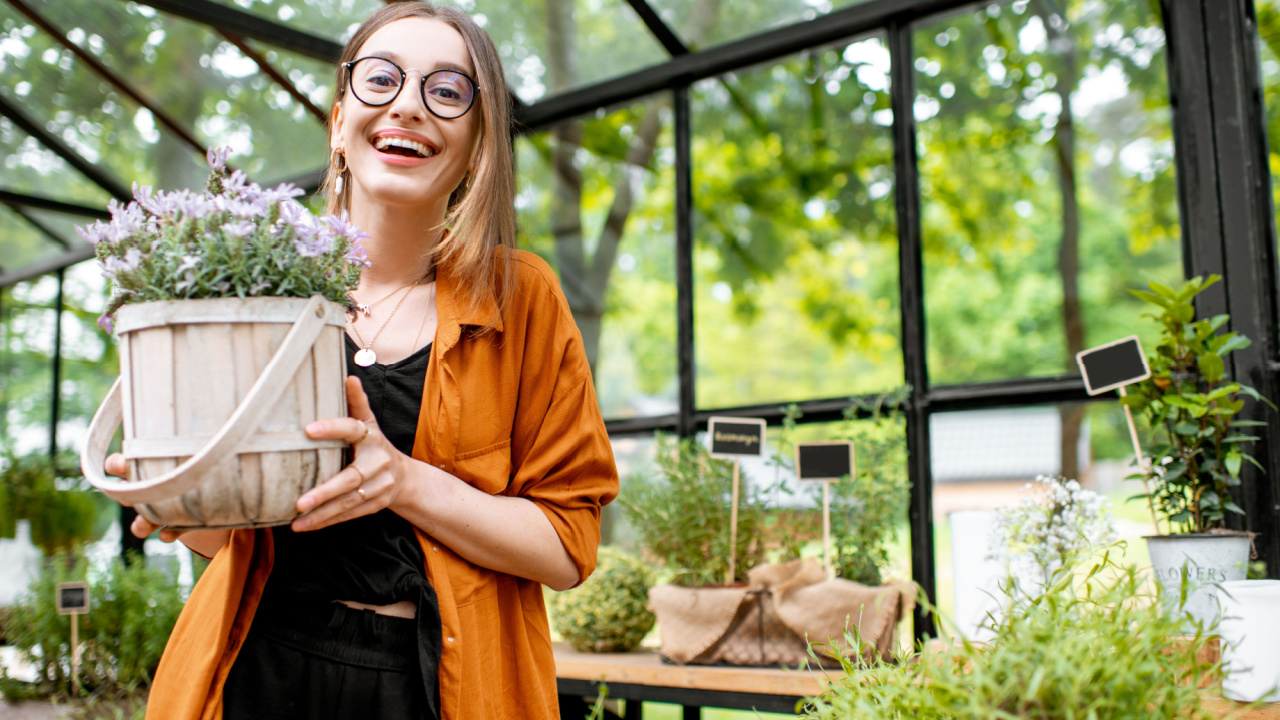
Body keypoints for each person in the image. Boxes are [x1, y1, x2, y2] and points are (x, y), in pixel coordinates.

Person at [104, 4, 619, 719]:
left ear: (477, 145)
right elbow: (248, 532)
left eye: (447, 91)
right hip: (255, 668)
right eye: (382, 80)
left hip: (432, 686)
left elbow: (567, 547)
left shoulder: (520, 297)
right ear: (340, 123)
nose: (407, 105)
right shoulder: (258, 290)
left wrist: (402, 481)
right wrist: (178, 502)